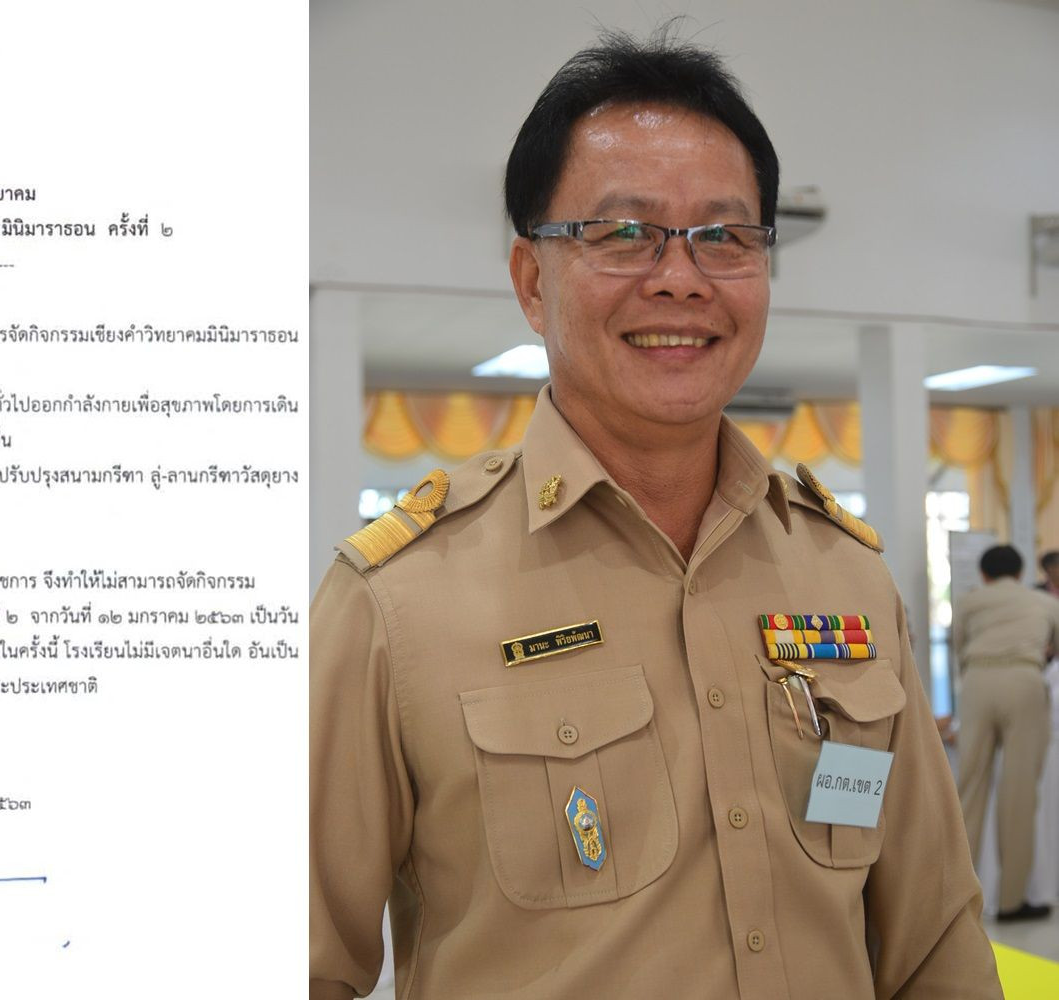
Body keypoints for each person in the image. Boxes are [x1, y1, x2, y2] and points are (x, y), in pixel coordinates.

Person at [310, 28, 1001, 1000]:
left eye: (725, 236)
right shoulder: (397, 601)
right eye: (624, 232)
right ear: (532, 279)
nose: (681, 276)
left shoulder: (844, 576)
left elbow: (932, 939)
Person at [954, 543, 1059, 921]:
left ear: (983, 574)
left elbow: (959, 647)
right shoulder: (1045, 603)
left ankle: (957, 899)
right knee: (1020, 793)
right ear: (1020, 572)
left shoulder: (968, 602)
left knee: (969, 789)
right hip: (1025, 680)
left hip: (977, 681)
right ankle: (1012, 901)